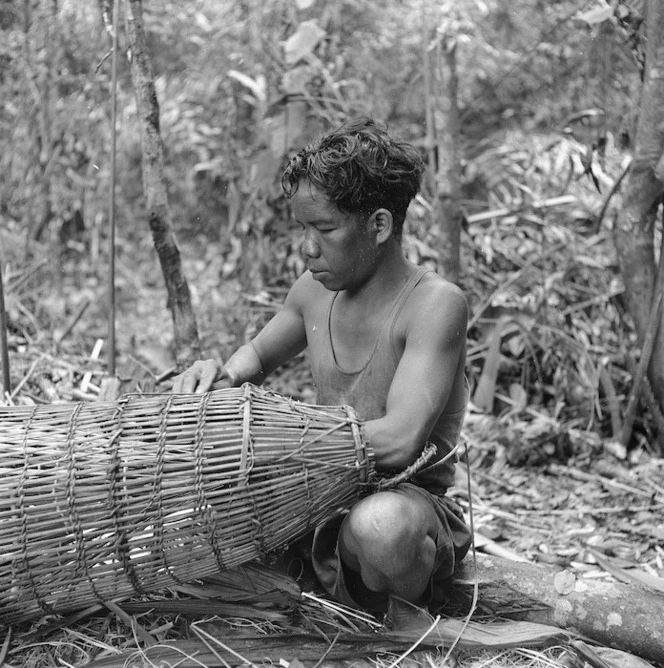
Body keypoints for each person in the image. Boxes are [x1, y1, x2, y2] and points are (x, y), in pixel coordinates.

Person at [172, 117, 472, 630]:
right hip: (316, 496)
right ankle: (315, 593)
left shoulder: (434, 304)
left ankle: (397, 627)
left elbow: (400, 442)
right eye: (303, 229)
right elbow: (250, 363)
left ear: (378, 226)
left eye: (326, 229)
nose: (308, 248)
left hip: (404, 497)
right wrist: (210, 380)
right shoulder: (312, 292)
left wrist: (277, 444)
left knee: (381, 526)